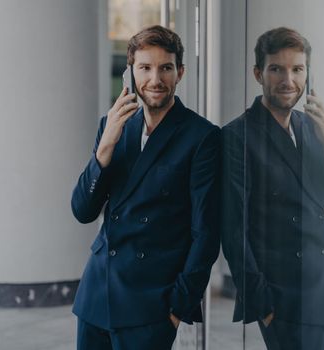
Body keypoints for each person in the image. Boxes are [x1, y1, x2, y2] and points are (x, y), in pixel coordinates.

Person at [71, 25, 220, 350]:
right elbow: (83, 211)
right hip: (97, 295)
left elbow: (206, 233)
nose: (155, 79)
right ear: (130, 72)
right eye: (145, 67)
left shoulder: (202, 136)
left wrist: (177, 308)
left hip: (151, 305)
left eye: (165, 67)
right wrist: (104, 149)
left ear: (180, 72)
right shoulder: (112, 126)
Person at [221, 27, 324, 350]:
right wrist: (262, 304)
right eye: (277, 69)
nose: (289, 80)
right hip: (285, 300)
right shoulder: (237, 136)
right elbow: (233, 230)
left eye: (297, 69)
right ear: (258, 73)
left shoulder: (315, 128)